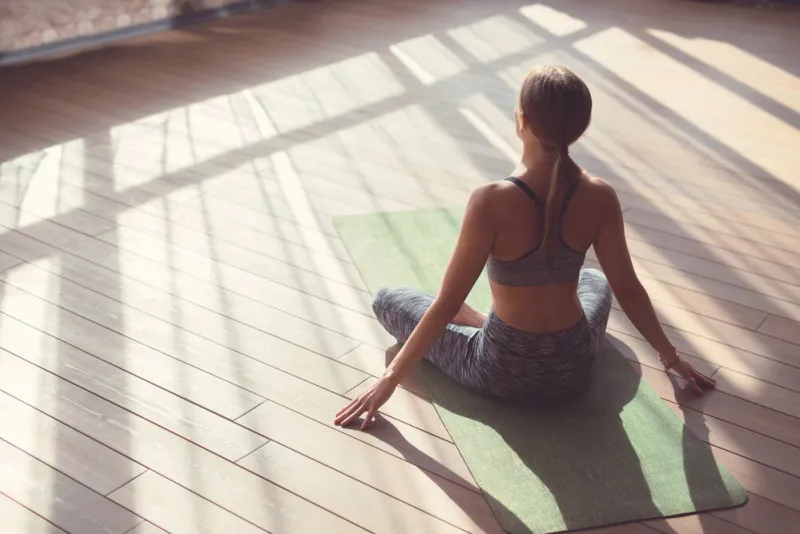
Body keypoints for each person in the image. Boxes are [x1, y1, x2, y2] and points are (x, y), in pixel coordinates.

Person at [334, 65, 716, 430]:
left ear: (521, 121)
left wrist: (387, 381)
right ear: (578, 130)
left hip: (501, 371)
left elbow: (447, 304)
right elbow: (629, 290)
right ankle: (486, 322)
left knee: (388, 298)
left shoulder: (490, 200)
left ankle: (485, 323)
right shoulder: (600, 196)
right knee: (595, 279)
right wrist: (672, 358)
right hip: (575, 370)